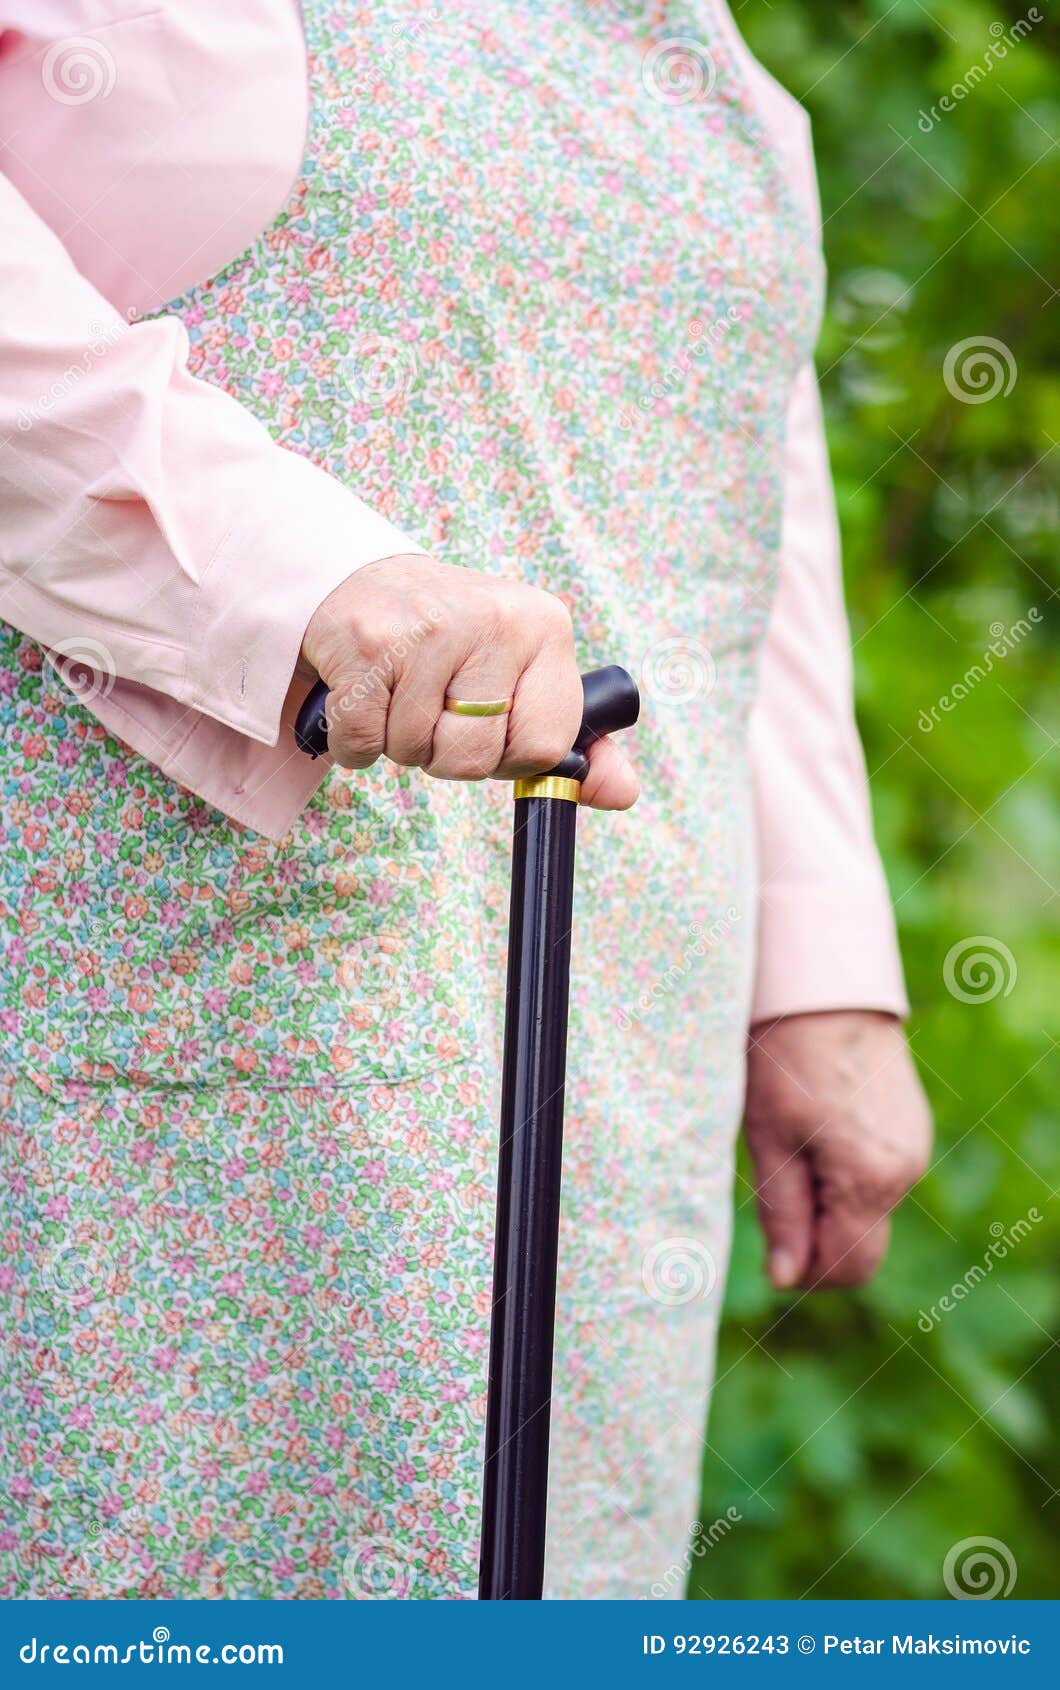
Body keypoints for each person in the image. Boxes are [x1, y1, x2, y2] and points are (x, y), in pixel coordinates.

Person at [0, 1, 931, 1599]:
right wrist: (291, 572)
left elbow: (730, 454)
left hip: (616, 1020)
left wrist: (814, 955)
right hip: (164, 997)